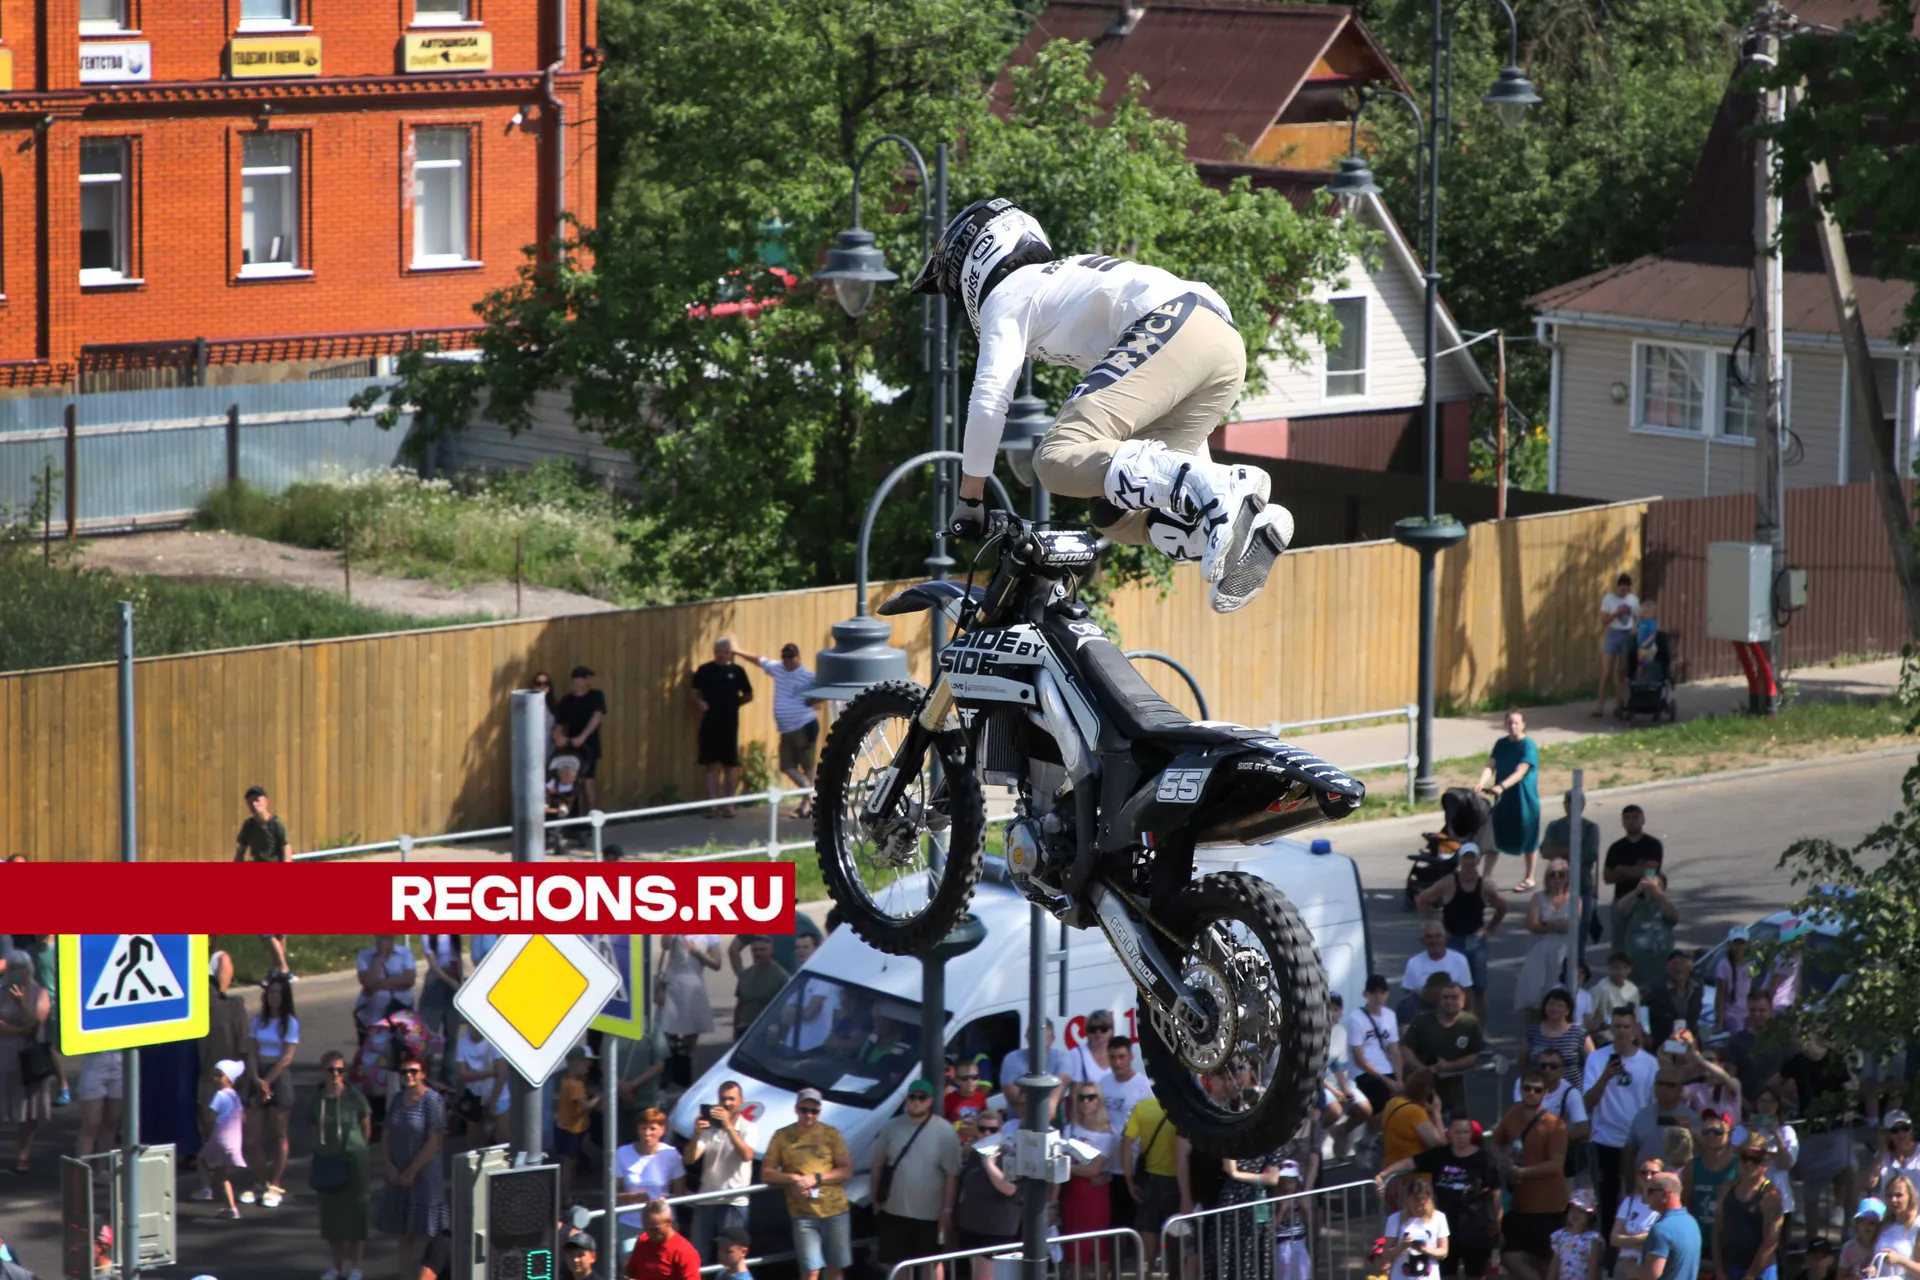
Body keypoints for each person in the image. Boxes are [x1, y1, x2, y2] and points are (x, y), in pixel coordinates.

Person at [924, 198, 1290, 614]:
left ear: (972, 264)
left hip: (1172, 325)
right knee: (1113, 512)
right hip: (1220, 346)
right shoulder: (1060, 279)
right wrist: (1205, 478)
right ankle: (1225, 531)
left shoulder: (1007, 295)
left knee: (1056, 458)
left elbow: (990, 396)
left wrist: (971, 498)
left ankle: (1220, 492)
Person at [1378, 1117, 1504, 1280]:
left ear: (1471, 1134)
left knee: (1475, 1274)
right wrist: (1384, 1174)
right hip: (1445, 1228)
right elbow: (1410, 1163)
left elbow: (1496, 1193)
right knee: (1447, 1274)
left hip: (1476, 1229)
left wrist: (1498, 1222)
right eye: (1457, 1132)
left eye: (1465, 1132)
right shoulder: (1440, 1155)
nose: (1461, 1136)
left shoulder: (1484, 1159)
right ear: (1449, 1134)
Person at [871, 1078, 961, 1280]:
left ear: (930, 1101)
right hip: (893, 1211)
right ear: (907, 1100)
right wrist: (875, 1199)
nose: (917, 1102)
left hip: (929, 1215)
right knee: (897, 1264)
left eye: (922, 1098)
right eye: (913, 1097)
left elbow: (952, 1175)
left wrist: (946, 1211)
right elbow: (878, 1164)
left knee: (931, 1263)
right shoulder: (891, 1127)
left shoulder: (945, 1132)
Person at [763, 1088, 853, 1280]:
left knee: (835, 1269)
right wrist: (793, 1178)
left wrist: (817, 1178)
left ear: (820, 1112)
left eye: (814, 1111)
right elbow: (766, 1173)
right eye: (804, 1110)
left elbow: (846, 1170)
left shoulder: (831, 1134)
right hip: (803, 1215)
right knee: (810, 1270)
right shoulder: (781, 1136)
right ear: (796, 1109)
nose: (809, 1115)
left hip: (835, 1211)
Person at [1781, 1031, 1861, 1241]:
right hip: (1811, 1131)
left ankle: (1850, 1236)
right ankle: (1812, 1244)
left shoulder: (1834, 1058)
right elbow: (1773, 1085)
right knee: (1811, 1192)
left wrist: (1849, 1108)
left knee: (1851, 1171)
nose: (1795, 1040)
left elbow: (1850, 1087)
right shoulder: (1797, 1061)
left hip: (1836, 1128)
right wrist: (1788, 1106)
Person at [1494, 1070, 1573, 1280]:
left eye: (1537, 1090)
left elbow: (1556, 1165)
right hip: (1519, 1206)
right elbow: (1493, 1143)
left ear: (1545, 1093)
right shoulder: (1513, 1114)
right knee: (1510, 1256)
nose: (1531, 1093)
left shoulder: (1555, 1124)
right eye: (1527, 1088)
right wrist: (1505, 1161)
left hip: (1550, 1207)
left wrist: (1521, 1172)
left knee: (1548, 1264)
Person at [1586, 1007, 1658, 1235]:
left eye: (1627, 1027)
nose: (1622, 1032)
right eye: (1617, 1026)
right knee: (1606, 1199)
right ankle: (1607, 1248)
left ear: (1635, 1029)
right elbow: (1586, 1102)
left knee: (1637, 1197)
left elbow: (1653, 1105)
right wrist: (1606, 1076)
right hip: (1605, 1138)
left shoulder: (1649, 1063)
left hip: (1637, 1142)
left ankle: (1633, 1243)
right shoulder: (1597, 1059)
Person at [377, 1053, 449, 1279]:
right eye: (404, 1072)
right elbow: (386, 1134)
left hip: (424, 1177)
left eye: (413, 1071)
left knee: (423, 1237)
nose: (408, 1076)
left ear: (423, 1074)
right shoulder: (398, 1099)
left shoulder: (432, 1100)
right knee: (403, 1235)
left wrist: (410, 1171)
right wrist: (389, 1166)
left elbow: (433, 1142)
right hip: (398, 1175)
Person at [1416, 844, 1507, 1020]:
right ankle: (1455, 1028)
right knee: (1453, 989)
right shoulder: (1448, 882)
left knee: (1479, 989)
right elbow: (1423, 900)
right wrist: (1431, 926)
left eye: (1473, 858)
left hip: (1476, 942)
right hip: (1452, 941)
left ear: (1478, 860)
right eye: (1466, 857)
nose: (1469, 862)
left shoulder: (1484, 886)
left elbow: (1502, 907)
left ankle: (1478, 1034)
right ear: (1460, 859)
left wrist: (1489, 930)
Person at [736, 643, 820, 816]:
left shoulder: (807, 676)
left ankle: (806, 806)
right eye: (785, 657)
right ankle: (810, 792)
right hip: (786, 729)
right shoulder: (778, 669)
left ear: (798, 657)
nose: (787, 661)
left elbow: (824, 691)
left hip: (804, 725)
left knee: (807, 765)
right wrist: (737, 650)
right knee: (786, 766)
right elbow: (758, 660)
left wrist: (815, 702)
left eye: (790, 657)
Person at [309, 1049, 371, 1280]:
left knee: (356, 1214)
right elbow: (316, 1130)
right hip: (327, 1161)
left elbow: (366, 1125)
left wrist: (357, 1147)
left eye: (340, 1070)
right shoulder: (318, 1101)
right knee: (331, 1216)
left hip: (355, 1160)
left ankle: (356, 1266)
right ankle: (336, 1266)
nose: (335, 1074)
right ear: (323, 1071)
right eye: (331, 1069)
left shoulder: (354, 1097)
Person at [683, 1082, 758, 1263]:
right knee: (696, 1254)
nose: (727, 1103)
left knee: (731, 1257)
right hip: (706, 1199)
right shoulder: (710, 1128)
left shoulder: (748, 1128)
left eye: (731, 1099)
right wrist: (696, 1134)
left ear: (741, 1101)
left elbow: (747, 1155)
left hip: (733, 1202)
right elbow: (690, 1158)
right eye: (723, 1099)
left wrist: (729, 1127)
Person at [244, 974, 298, 1208]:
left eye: (279, 993)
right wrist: (257, 1078)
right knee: (252, 1138)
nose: (274, 997)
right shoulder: (258, 1021)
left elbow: (287, 1057)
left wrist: (268, 1080)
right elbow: (252, 1051)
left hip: (278, 1075)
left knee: (279, 1134)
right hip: (258, 1076)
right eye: (271, 992)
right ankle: (262, 1181)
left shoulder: (290, 1023)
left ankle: (275, 1183)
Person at [953, 1113, 1022, 1280]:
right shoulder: (973, 1153)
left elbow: (1009, 1188)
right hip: (972, 1228)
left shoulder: (1010, 1154)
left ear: (1001, 1131)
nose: (987, 1134)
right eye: (982, 1129)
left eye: (993, 1129)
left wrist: (988, 1163)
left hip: (997, 1231)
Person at [689, 640, 754, 817]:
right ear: (714, 651)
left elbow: (749, 695)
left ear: (730, 653)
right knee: (710, 765)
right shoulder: (704, 670)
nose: (722, 654)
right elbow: (694, 692)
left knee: (730, 766)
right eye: (719, 651)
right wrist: (699, 703)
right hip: (709, 722)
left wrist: (735, 704)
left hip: (729, 724)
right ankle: (712, 805)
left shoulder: (737, 671)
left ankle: (729, 805)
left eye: (725, 652)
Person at [1479, 710, 1542, 892]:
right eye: (1510, 723)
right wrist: (1481, 783)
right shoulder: (1501, 744)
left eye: (1516, 723)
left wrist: (1501, 786)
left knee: (1529, 837)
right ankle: (1486, 878)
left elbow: (1520, 771)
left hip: (1524, 799)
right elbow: (1491, 765)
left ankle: (1529, 878)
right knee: (1494, 836)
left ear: (1523, 725)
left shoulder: (1528, 746)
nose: (1513, 727)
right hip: (1504, 800)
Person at [1402, 982, 1485, 1122]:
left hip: (1454, 1081)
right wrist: (1421, 1069)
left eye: (1454, 997)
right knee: (1419, 1119)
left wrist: (1449, 1066)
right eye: (1446, 997)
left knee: (1459, 1120)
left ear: (1463, 1000)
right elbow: (1405, 1047)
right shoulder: (1422, 1021)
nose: (1449, 1001)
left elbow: (1474, 1055)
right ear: (1440, 1000)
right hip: (1423, 1082)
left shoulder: (1471, 1023)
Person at [615, 1108, 689, 1254]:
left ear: (662, 1130)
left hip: (664, 1225)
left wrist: (664, 1201)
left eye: (652, 1128)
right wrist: (635, 1197)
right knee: (631, 1269)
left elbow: (681, 1192)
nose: (647, 1133)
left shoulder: (671, 1154)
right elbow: (612, 1196)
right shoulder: (622, 1153)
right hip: (631, 1224)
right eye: (643, 1128)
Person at [1714, 1130, 1784, 1280]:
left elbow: (1771, 1242)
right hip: (1729, 1268)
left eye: (1756, 1160)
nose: (1749, 1163)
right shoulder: (1726, 1189)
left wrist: (1750, 1275)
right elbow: (1717, 1231)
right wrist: (1719, 1271)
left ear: (1765, 1164)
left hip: (1761, 1272)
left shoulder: (1771, 1195)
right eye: (1745, 1158)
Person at [1061, 1083, 1116, 1273]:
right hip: (1072, 1194)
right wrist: (1077, 1168)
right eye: (1082, 1097)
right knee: (1074, 1246)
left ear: (1099, 1100)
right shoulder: (1070, 1129)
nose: (1086, 1102)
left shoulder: (1107, 1133)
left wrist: (1067, 1167)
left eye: (1091, 1097)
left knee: (1098, 1246)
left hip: (1095, 1197)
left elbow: (1094, 1170)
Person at [1121, 1091, 1186, 1248]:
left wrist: (1129, 1180)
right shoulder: (1185, 1109)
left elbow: (1126, 1143)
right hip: (1179, 1181)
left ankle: (1146, 1270)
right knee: (1176, 1239)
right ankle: (1173, 1271)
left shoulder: (1143, 1107)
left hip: (1150, 1182)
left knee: (1148, 1235)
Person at [1516, 861, 1577, 1021]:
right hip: (1539, 954)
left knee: (1562, 997)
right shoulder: (1538, 898)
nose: (1557, 879)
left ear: (1567, 878)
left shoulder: (1574, 899)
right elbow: (1532, 924)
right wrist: (1557, 924)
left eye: (1561, 875)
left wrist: (1545, 923)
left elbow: (1573, 925)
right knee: (1534, 997)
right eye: (1552, 875)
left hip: (1563, 955)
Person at [656, 935, 720, 1087]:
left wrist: (698, 953)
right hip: (673, 985)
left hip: (694, 987)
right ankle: (664, 1078)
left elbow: (717, 964)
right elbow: (665, 946)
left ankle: (686, 1079)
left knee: (690, 1042)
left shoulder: (710, 935)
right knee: (664, 1037)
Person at [1623, 1071, 1705, 1180]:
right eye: (1660, 1084)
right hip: (1646, 1181)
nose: (1664, 1088)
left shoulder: (1692, 1118)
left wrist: (1690, 1132)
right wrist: (1629, 1186)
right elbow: (1630, 1152)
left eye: (1670, 1085)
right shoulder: (1642, 1115)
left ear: (1680, 1089)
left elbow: (1704, 1154)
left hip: (1679, 1183)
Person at [194, 1057, 249, 1217]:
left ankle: (206, 1189)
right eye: (214, 1075)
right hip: (233, 1143)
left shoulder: (220, 1095)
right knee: (222, 1174)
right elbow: (243, 1118)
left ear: (228, 1079)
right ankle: (231, 1208)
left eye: (219, 1076)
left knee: (201, 1160)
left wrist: (206, 1128)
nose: (215, 1079)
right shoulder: (235, 1097)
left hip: (219, 1139)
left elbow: (209, 1117)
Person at [1604, 806, 1665, 945]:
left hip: (1646, 901)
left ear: (1643, 819)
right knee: (1620, 944)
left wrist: (1622, 870)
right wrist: (1637, 870)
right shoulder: (1616, 848)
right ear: (1622, 822)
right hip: (1621, 900)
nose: (1631, 821)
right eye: (1627, 818)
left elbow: (1650, 872)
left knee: (1645, 944)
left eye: (1635, 817)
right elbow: (1608, 878)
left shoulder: (1652, 845)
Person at [1347, 974, 1403, 1119]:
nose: (1378, 997)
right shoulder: (1356, 1018)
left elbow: (1395, 1050)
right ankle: (1367, 1138)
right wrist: (1387, 1081)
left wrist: (1399, 1079)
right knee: (1385, 1105)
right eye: (1374, 993)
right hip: (1365, 1073)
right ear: (1366, 994)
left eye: (1382, 992)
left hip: (1387, 1070)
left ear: (1387, 994)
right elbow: (1359, 1057)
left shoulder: (1390, 1015)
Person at [556, 665, 608, 812]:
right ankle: (571, 820)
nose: (588, 681)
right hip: (571, 749)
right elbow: (558, 724)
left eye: (589, 678)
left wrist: (582, 737)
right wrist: (559, 737)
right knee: (569, 783)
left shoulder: (596, 696)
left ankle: (590, 820)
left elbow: (596, 718)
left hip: (589, 747)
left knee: (587, 783)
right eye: (584, 678)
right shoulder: (567, 701)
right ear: (575, 681)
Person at [1382, 1173, 1451, 1280]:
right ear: (1407, 1199)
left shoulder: (1439, 1218)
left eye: (1422, 1205)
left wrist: (1425, 1250)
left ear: (1429, 1199)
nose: (1418, 1209)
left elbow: (1444, 1251)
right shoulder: (1395, 1219)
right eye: (1414, 1204)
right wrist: (1402, 1247)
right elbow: (1386, 1255)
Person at [1618, 875, 1680, 991]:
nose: (1651, 888)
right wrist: (1637, 891)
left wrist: (1658, 894)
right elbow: (1621, 908)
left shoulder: (1664, 906)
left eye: (1657, 885)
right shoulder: (1636, 904)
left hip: (1659, 966)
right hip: (1636, 968)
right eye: (1648, 884)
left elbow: (1674, 916)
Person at [1402, 924, 1475, 1021]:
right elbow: (1408, 996)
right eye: (1429, 937)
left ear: (1445, 939)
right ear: (1423, 940)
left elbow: (1467, 993)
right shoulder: (1413, 962)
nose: (1434, 941)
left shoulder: (1459, 960)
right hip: (1424, 1015)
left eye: (1438, 936)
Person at [555, 1047, 599, 1207]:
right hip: (570, 1130)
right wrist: (599, 1097)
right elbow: (586, 1106)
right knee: (568, 1166)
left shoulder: (570, 1081)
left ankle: (569, 1194)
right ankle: (566, 1198)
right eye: (585, 1064)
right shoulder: (574, 1085)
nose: (588, 1067)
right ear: (575, 1064)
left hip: (573, 1129)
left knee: (572, 1165)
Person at [453, 1022, 509, 1146]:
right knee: (476, 1143)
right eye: (472, 1025)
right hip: (474, 1099)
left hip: (499, 1097)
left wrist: (492, 1102)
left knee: (503, 1140)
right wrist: (490, 1072)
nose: (476, 1028)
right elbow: (462, 1075)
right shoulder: (462, 1043)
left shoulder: (494, 1043)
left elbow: (502, 1074)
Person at [1687, 1113, 1739, 1244]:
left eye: (1717, 1131)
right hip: (1698, 1239)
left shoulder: (1740, 1164)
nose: (1711, 1135)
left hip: (1729, 1240)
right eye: (1706, 1131)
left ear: (1730, 1135)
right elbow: (1686, 1202)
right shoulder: (1692, 1165)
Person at [1643, 1170, 1704, 1280]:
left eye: (1650, 1191)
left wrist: (1630, 1268)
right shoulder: (1691, 1222)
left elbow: (1651, 1275)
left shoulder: (1662, 1229)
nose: (1646, 1197)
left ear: (1665, 1194)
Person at [1382, 1070, 1446, 1172]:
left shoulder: (1392, 1102)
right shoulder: (1415, 1112)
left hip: (1392, 1171)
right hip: (1413, 1175)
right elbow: (1439, 1145)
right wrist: (1436, 1112)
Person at [353, 936, 416, 1039]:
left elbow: (409, 980)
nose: (387, 942)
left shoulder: (405, 953)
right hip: (375, 1012)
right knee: (374, 1045)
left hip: (402, 1007)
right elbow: (367, 982)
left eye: (390, 937)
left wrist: (377, 984)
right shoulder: (364, 955)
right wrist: (379, 958)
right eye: (383, 937)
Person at [1614, 1159, 1668, 1280]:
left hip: (1646, 1268)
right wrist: (1640, 1239)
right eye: (1643, 1172)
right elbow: (1614, 1239)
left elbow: (1655, 1242)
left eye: (1653, 1173)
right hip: (1622, 1266)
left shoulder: (1664, 1207)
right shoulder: (1629, 1202)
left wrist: (1627, 1240)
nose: (1648, 1177)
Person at [1596, 574, 1640, 719]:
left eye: (1626, 590)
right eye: (1622, 590)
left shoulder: (1633, 600)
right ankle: (1600, 707)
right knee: (1606, 672)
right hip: (1612, 634)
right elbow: (1604, 620)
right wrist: (1616, 613)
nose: (1624, 593)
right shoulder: (1608, 599)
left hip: (1626, 634)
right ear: (1617, 587)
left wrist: (1635, 627)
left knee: (1622, 673)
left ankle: (1618, 706)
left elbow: (1637, 616)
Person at [1524, 988, 1595, 1079]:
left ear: (1567, 1010)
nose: (1554, 1008)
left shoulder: (1578, 1033)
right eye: (1551, 1004)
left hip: (1572, 1089)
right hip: (1539, 1089)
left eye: (1560, 1005)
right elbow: (1523, 1061)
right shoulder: (1532, 1031)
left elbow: (1593, 1062)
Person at [727, 937, 789, 1041]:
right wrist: (735, 1031)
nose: (759, 953)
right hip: (745, 1027)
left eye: (763, 950)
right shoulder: (745, 975)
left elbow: (786, 1009)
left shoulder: (781, 977)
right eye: (755, 950)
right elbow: (740, 1005)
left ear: (771, 951)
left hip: (767, 1029)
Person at [1726, 994, 1784, 1102]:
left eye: (1762, 1010)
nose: (1757, 1014)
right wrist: (1743, 1104)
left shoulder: (1782, 1039)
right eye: (1752, 1010)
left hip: (1777, 1105)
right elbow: (1731, 1080)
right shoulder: (1737, 1041)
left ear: (1770, 1010)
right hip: (1745, 1105)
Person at [624, 1200, 701, 1280]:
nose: (650, 1233)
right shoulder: (643, 1240)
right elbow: (630, 1271)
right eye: (647, 1229)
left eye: (655, 1229)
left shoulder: (684, 1252)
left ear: (669, 1221)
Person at [1645, 952, 1705, 1046]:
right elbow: (1640, 1008)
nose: (1678, 967)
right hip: (1663, 1041)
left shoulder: (1697, 987)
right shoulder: (1656, 988)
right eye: (1675, 963)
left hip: (1689, 1040)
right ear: (1668, 967)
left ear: (1690, 966)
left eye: (1682, 963)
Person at [1549, 1189, 1605, 1280]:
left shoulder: (1593, 1239)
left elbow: (1593, 1269)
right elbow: (1555, 1264)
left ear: (1590, 1215)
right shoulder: (1560, 1236)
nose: (1575, 1214)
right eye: (1573, 1209)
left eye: (1580, 1211)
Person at [1712, 929, 1756, 1037]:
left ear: (1748, 944)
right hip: (1732, 1016)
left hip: (1748, 1014)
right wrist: (1719, 1022)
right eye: (1736, 943)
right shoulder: (1724, 966)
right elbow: (1720, 995)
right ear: (1729, 944)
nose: (1739, 947)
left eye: (1742, 943)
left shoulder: (1752, 963)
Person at [1874, 1176, 1920, 1279]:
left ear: (1910, 1196)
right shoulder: (1885, 1225)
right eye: (1889, 1196)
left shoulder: (1917, 1226)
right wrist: (1873, 1269)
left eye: (1899, 1195)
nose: (1893, 1200)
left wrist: (1900, 1260)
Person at [1067, 1010, 1115, 1084]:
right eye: (1093, 1029)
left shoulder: (1119, 1053)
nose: (1098, 1033)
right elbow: (1075, 1091)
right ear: (1087, 1032)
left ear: (1111, 1031)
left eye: (1103, 1029)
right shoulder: (1077, 1055)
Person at [1842, 1200, 1886, 1280]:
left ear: (1880, 1226)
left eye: (1872, 1223)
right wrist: (1858, 1277)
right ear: (1856, 1224)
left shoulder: (1883, 1246)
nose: (1867, 1226)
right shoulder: (1849, 1247)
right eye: (1863, 1221)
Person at [1880, 1112, 1920, 1197]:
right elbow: (1870, 1183)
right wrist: (1882, 1148)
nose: (1901, 1135)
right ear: (1887, 1134)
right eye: (1895, 1131)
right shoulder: (1882, 1156)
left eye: (1905, 1129)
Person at [947, 1060, 990, 1124]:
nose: (970, 1082)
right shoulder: (948, 1099)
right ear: (956, 1080)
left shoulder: (981, 1097)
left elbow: (985, 1121)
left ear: (979, 1079)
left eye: (974, 1077)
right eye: (964, 1078)